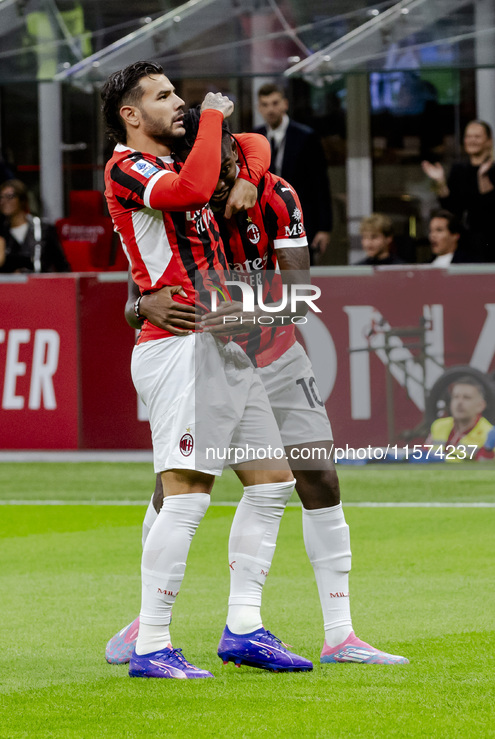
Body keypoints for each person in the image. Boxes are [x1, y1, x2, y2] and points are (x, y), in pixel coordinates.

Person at [106, 107, 409, 669]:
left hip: (272, 355)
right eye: (201, 161)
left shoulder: (273, 192)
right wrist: (140, 305)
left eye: (223, 160)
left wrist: (225, 308)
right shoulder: (173, 195)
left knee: (314, 477)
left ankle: (338, 634)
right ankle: (146, 624)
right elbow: (143, 289)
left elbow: (298, 292)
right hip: (201, 354)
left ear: (233, 152)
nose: (215, 174)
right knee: (174, 489)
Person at [102, 60, 310, 679]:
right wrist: (215, 110)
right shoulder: (127, 166)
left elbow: (254, 145)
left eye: (181, 96)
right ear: (132, 116)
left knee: (272, 482)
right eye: (164, 98)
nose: (181, 105)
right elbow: (191, 192)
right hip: (179, 344)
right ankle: (152, 643)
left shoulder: (175, 160)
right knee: (187, 494)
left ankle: (244, 628)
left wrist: (245, 171)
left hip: (221, 338)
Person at [255, 83, 333, 263]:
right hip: (266, 221)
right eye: (265, 105)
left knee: (300, 273)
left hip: (301, 216)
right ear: (259, 108)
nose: (270, 110)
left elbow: (320, 184)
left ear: (285, 104)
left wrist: (324, 227)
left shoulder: (305, 137)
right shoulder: (255, 136)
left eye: (275, 103)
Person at [422, 120, 495, 262]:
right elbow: (452, 209)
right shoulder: (458, 170)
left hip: (490, 241)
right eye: (468, 136)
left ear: (488, 141)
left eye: (477, 137)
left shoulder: (493, 170)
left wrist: (483, 179)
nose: (472, 140)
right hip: (466, 242)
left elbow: (489, 210)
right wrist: (441, 182)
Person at [0, 180, 70, 273]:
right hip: (11, 285)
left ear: (22, 200)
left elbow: (61, 265)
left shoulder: (43, 228)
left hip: (41, 283)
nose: (4, 201)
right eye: (1, 197)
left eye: (10, 196)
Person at [426, 377, 493, 462]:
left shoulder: (489, 433)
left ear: (481, 406)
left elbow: (485, 467)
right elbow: (424, 454)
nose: (459, 402)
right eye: (455, 397)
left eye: (466, 398)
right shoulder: (439, 425)